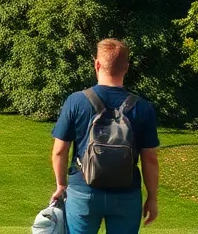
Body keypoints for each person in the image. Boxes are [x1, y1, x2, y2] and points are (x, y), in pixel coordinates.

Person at [50, 39, 160, 234]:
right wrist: (152, 197)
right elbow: (150, 159)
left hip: (83, 191)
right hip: (126, 194)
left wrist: (61, 185)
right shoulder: (143, 107)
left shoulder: (76, 101)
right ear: (126, 68)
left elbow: (60, 151)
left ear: (97, 64)